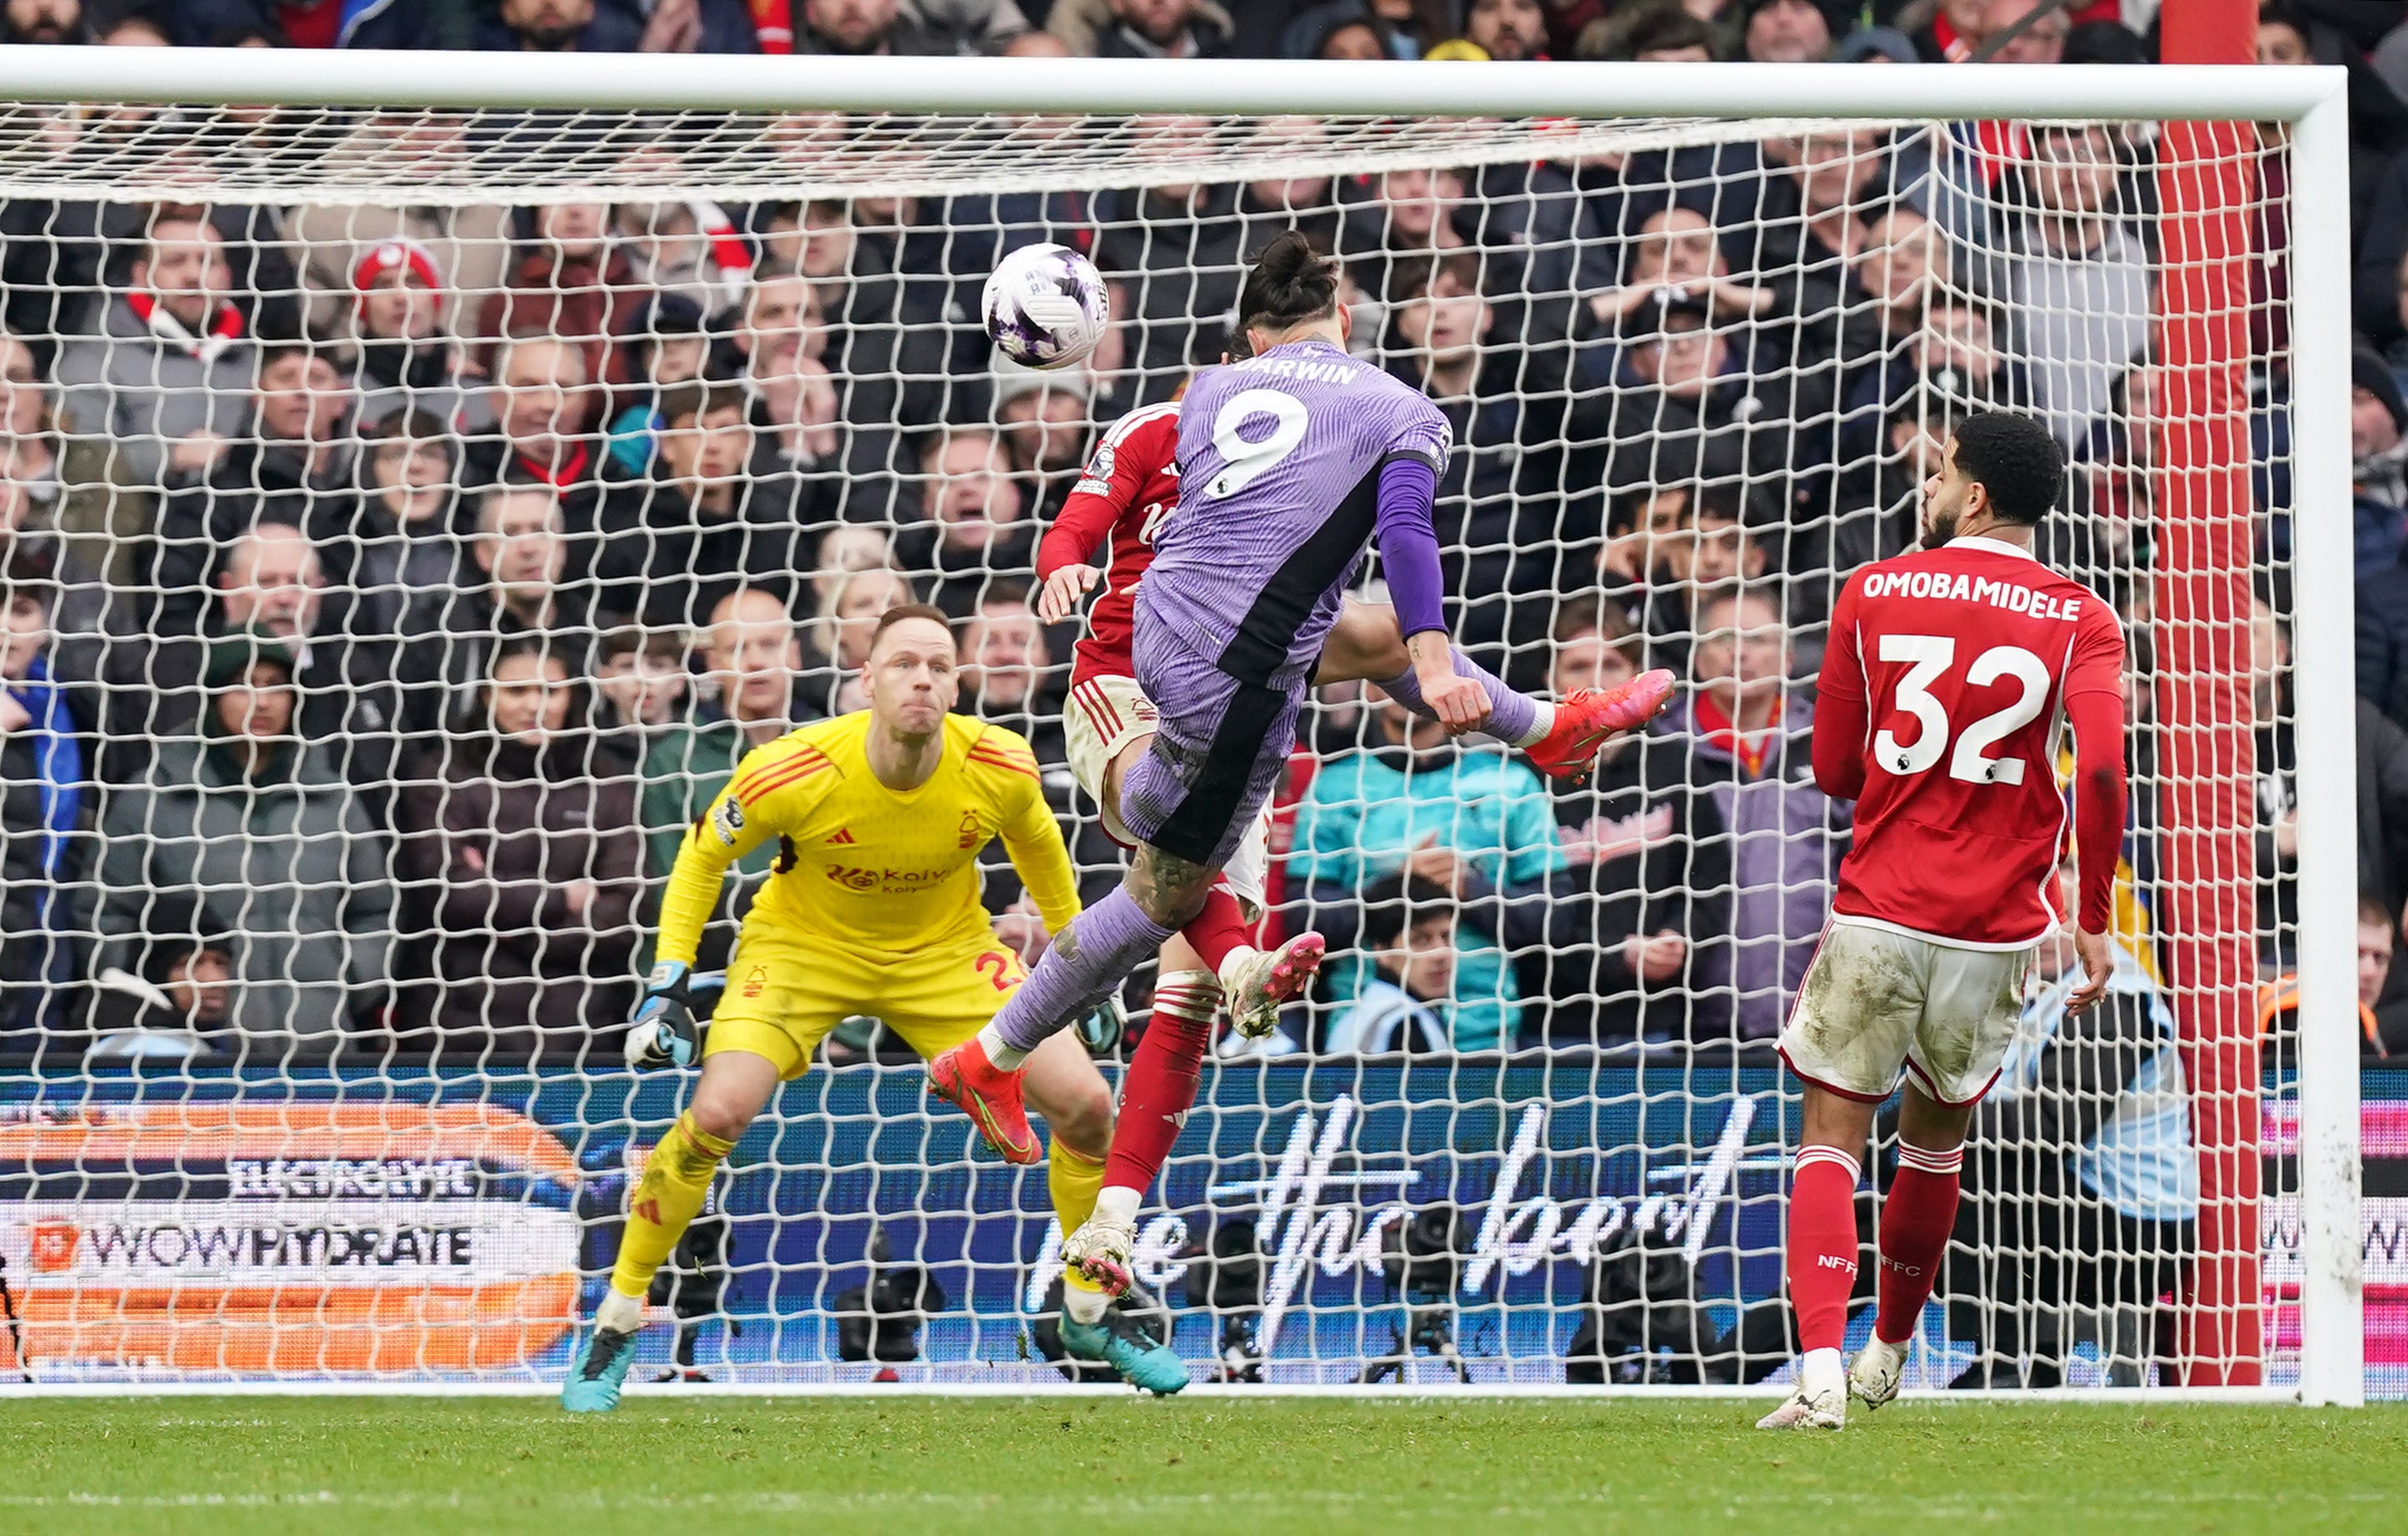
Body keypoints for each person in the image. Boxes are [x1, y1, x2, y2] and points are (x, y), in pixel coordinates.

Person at [931, 231, 1672, 1296]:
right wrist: (1058, 570)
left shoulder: (1243, 410)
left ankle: (1098, 1205)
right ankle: (1220, 974)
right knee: (1178, 879)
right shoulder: (1166, 418)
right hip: (1119, 682)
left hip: (1247, 666)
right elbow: (1080, 519)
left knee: (1182, 902)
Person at [562, 603, 1159, 1407]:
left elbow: (1046, 859)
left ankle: (1089, 1309)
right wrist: (668, 982)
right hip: (801, 950)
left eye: (939, 666)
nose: (922, 677)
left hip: (946, 952)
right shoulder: (795, 766)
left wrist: (1079, 967)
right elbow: (702, 859)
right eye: (904, 663)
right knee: (717, 1113)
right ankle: (618, 1317)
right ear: (865, 680)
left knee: (1089, 1106)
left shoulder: (1000, 764)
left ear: (957, 683)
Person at [1756, 409, 2127, 1430]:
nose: (1928, 486)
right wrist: (2088, 912)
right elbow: (2098, 770)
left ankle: (1819, 1368)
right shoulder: (2082, 616)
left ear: (1970, 495)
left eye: (1939, 471)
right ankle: (1888, 1352)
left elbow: (1832, 769)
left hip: (1881, 905)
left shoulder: (1871, 589)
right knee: (1933, 1143)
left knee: (1831, 1135)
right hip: (1996, 926)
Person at [93, 634, 395, 1059]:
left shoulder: (332, 797)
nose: (263, 701)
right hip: (193, 1056)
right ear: (213, 696)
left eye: (276, 684)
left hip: (321, 1050)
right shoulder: (154, 795)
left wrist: (347, 980)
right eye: (244, 684)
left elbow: (374, 910)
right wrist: (154, 998)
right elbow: (106, 912)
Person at [399, 639, 642, 1059]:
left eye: (551, 691)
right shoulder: (444, 775)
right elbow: (450, 895)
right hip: (464, 1024)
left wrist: (513, 928)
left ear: (572, 696)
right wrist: (563, 897)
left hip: (583, 1027)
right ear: (487, 696)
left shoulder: (605, 780)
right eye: (517, 691)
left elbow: (625, 909)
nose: (535, 705)